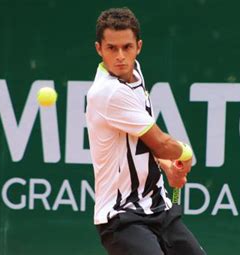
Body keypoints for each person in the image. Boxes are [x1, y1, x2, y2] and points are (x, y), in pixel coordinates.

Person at [86, 7, 206, 255]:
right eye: (111, 48)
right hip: (122, 218)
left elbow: (142, 142)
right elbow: (161, 142)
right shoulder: (109, 92)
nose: (120, 56)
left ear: (138, 46)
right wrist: (184, 153)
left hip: (158, 209)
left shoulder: (135, 74)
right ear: (99, 49)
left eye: (127, 47)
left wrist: (167, 166)